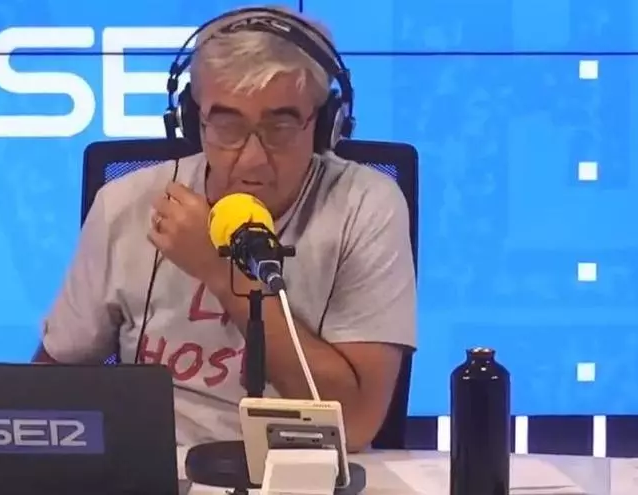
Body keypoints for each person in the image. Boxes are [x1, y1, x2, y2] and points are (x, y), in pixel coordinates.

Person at [34, 5, 416, 453]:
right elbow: (48, 390)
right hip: (158, 468)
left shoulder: (365, 206)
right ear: (192, 120)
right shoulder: (127, 204)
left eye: (281, 125)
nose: (252, 159)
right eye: (227, 124)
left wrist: (220, 273)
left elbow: (355, 423)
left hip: (306, 469)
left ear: (327, 124)